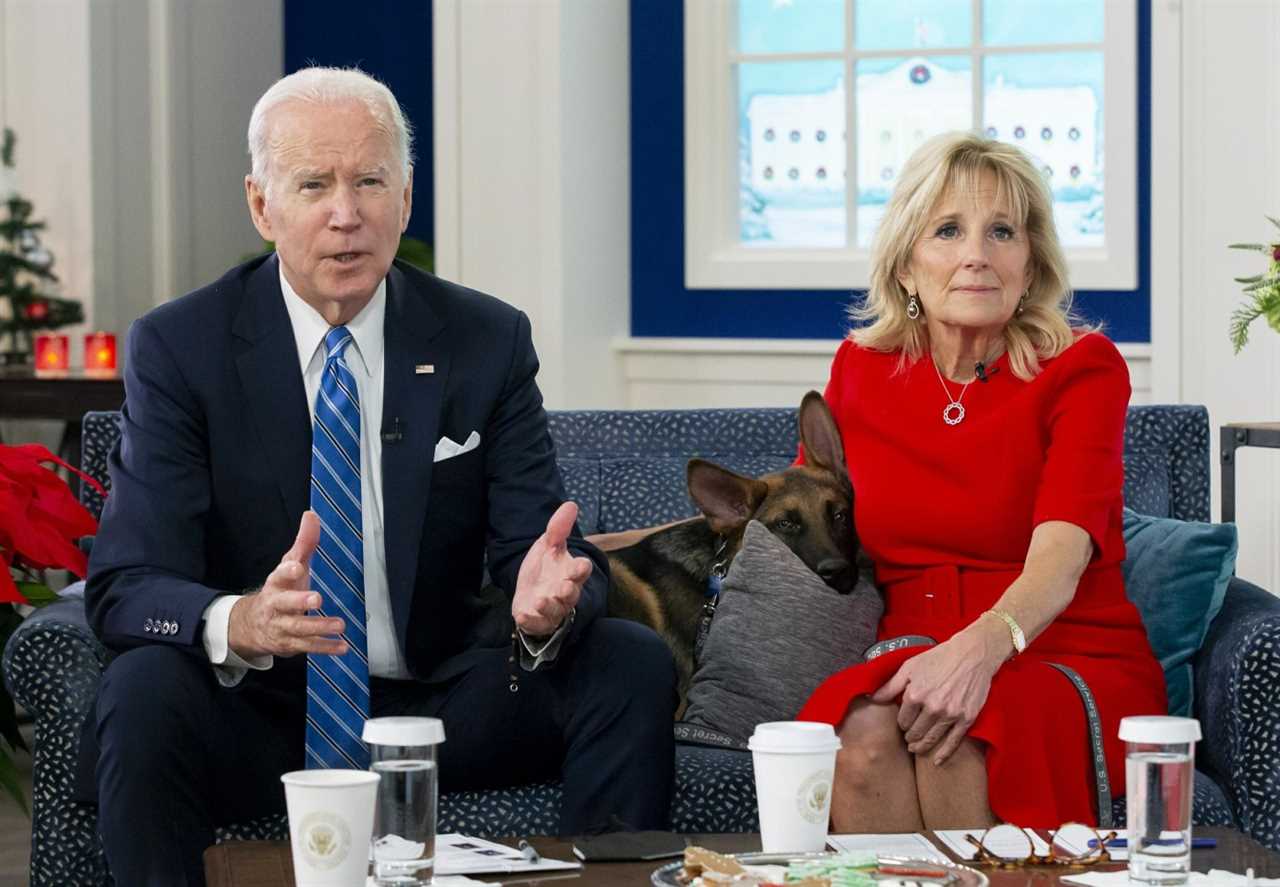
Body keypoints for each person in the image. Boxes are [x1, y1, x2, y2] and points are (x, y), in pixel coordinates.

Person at [84, 67, 676, 886]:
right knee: (142, 688)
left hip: (436, 702)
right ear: (262, 205)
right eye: (314, 184)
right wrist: (242, 618)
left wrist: (546, 604)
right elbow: (126, 583)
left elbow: (543, 548)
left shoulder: (485, 339)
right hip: (260, 707)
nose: (346, 214)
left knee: (627, 660)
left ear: (404, 196)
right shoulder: (182, 348)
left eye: (370, 182)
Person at [798, 131, 1166, 831]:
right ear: (907, 265)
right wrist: (609, 554)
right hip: (907, 650)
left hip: (1056, 648)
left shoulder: (1083, 370)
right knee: (860, 746)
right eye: (948, 230)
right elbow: (789, 513)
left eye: (1003, 231)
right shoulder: (860, 371)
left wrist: (976, 652)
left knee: (960, 734)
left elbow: (1061, 558)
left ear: (1030, 264)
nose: (977, 254)